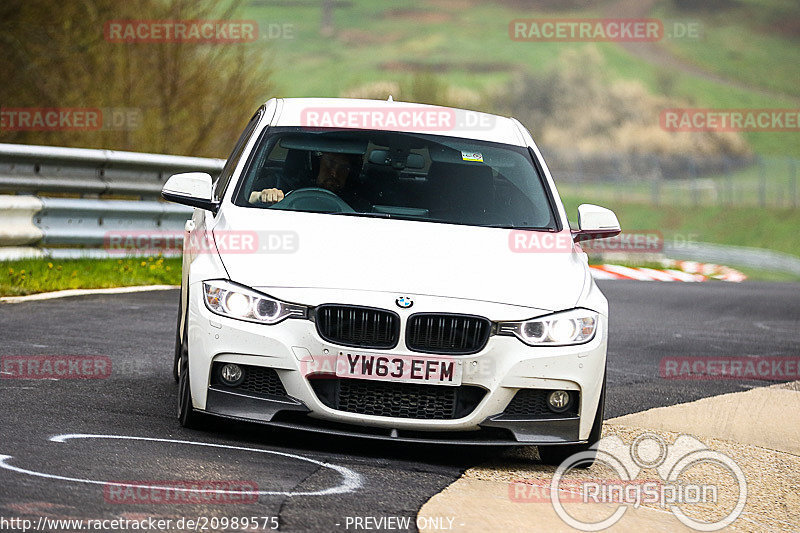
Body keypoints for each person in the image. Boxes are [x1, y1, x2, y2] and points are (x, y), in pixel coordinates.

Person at [248, 151, 360, 205]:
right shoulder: (279, 184)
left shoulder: (359, 203)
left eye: (343, 167)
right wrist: (260, 196)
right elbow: (243, 197)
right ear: (317, 163)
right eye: (330, 163)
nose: (334, 173)